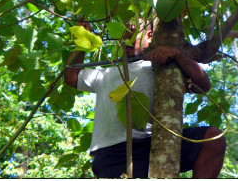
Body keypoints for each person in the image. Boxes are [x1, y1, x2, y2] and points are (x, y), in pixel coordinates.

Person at [63, 27, 225, 178]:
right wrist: (82, 35)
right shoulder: (105, 73)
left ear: (150, 36)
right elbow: (70, 75)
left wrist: (177, 54)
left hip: (154, 145)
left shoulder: (163, 69)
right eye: (122, 35)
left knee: (214, 138)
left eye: (131, 32)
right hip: (112, 155)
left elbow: (204, 85)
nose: (125, 37)